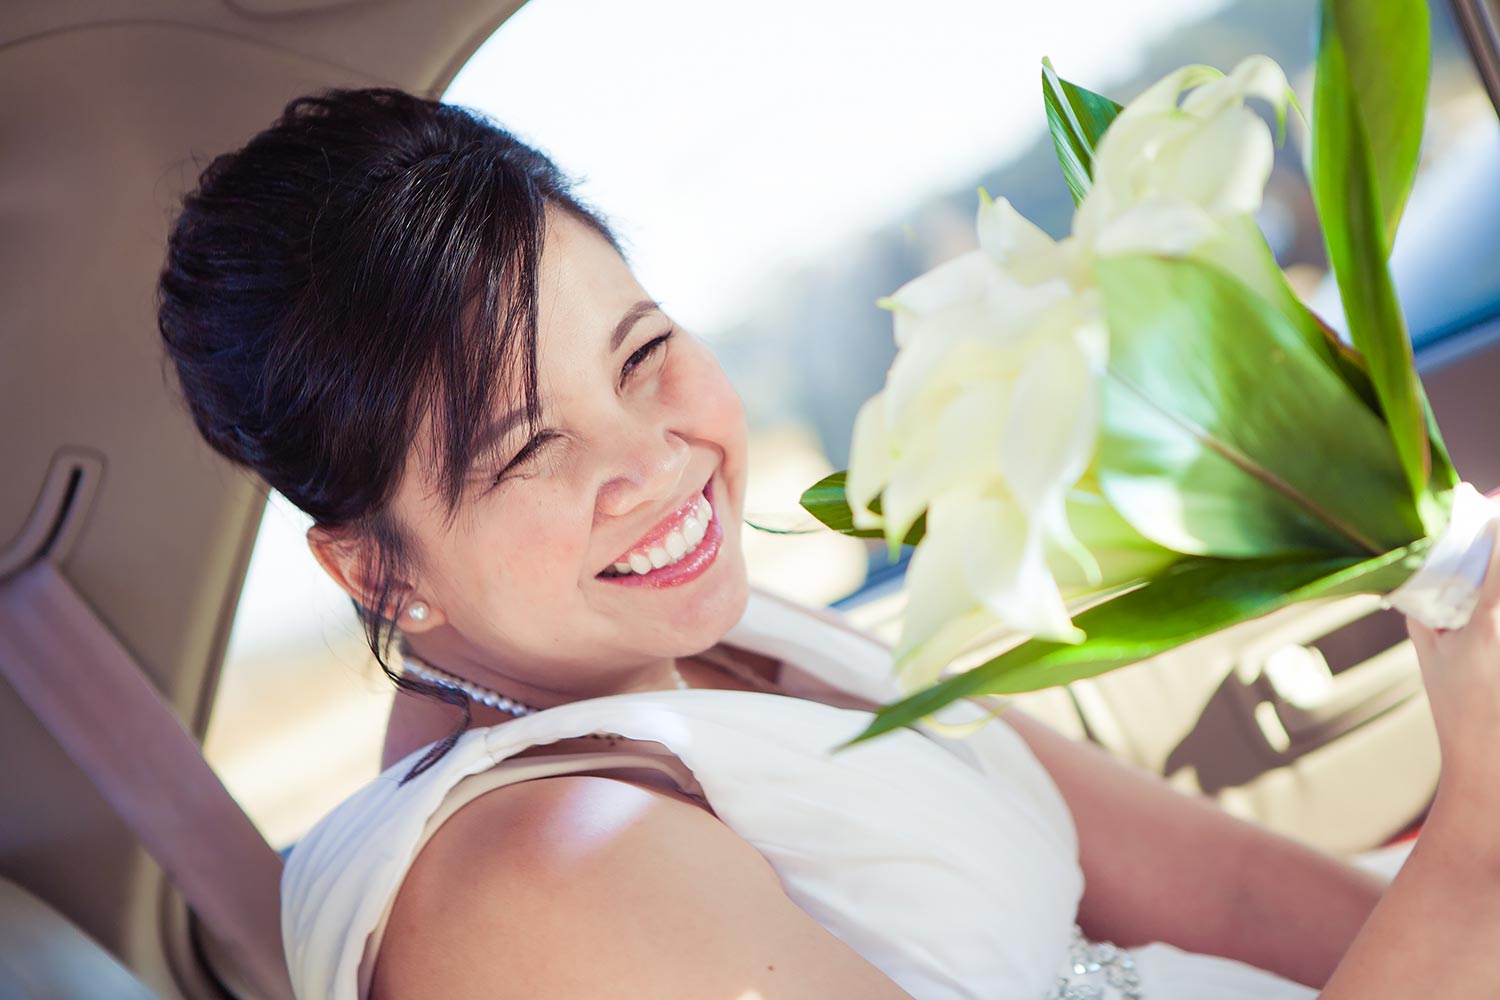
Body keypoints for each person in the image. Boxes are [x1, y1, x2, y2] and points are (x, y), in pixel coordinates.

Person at [156, 87, 1500, 1000]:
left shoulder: (707, 641)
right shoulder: (540, 885)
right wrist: (1479, 837)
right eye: (527, 449)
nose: (656, 463)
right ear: (374, 567)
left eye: (641, 355)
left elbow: (1218, 881)